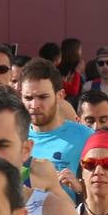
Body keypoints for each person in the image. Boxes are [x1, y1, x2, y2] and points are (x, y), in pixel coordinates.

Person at [20, 58, 94, 198]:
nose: (35, 105)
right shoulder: (13, 138)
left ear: (60, 96)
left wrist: (80, 188)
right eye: (28, 98)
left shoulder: (86, 137)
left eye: (43, 97)